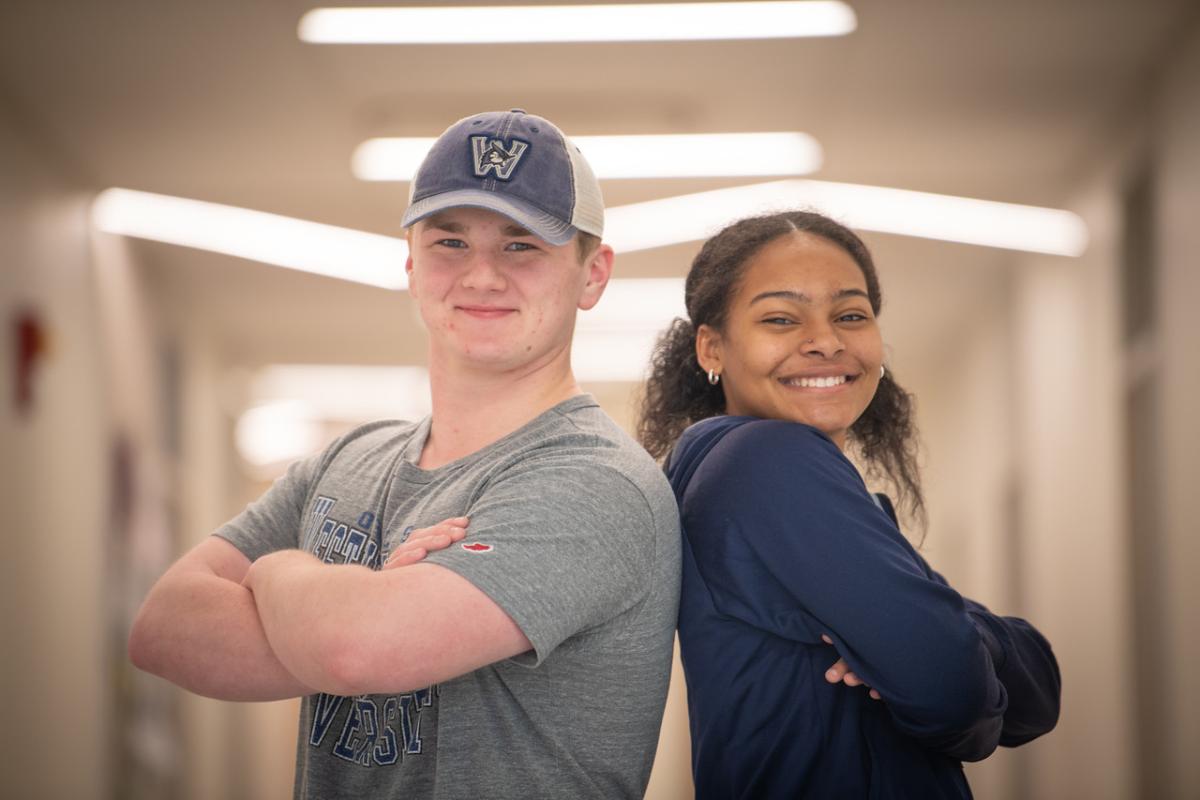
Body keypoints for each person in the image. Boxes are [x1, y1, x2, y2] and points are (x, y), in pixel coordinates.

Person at [128, 109, 682, 800]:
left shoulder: (597, 482)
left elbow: (357, 650)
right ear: (412, 266)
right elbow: (162, 628)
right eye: (450, 241)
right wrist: (349, 607)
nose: (481, 275)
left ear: (592, 275)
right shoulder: (351, 458)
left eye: (521, 247)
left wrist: (283, 572)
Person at [638, 210, 1060, 799]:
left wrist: (955, 642)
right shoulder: (768, 462)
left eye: (851, 315)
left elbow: (1037, 693)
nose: (826, 341)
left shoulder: (736, 474)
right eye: (781, 318)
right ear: (712, 347)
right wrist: (958, 646)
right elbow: (955, 690)